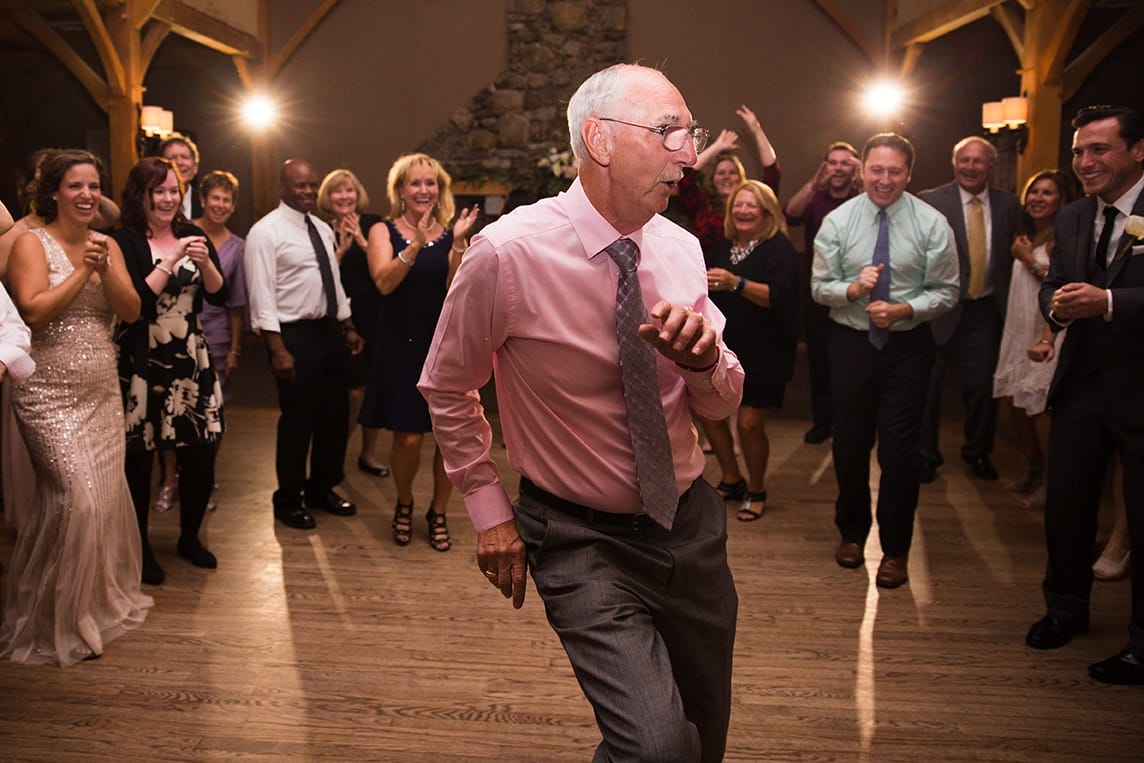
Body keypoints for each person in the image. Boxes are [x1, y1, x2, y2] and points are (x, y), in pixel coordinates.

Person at [419, 63, 743, 762]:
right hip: (577, 538)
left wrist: (703, 361)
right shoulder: (506, 255)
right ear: (598, 139)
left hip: (690, 529)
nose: (689, 155)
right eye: (670, 133)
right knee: (656, 747)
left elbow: (723, 398)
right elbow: (446, 384)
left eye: (690, 134)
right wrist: (488, 509)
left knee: (702, 734)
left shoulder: (684, 250)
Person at [2, 149, 151, 665]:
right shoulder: (29, 243)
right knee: (76, 499)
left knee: (101, 503)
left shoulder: (105, 244)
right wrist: (79, 273)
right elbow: (33, 312)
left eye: (93, 185)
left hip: (100, 390)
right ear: (54, 193)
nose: (86, 195)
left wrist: (104, 266)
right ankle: (53, 619)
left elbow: (131, 309)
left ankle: (83, 605)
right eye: (75, 186)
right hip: (46, 393)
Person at [1026, 105, 1144, 687]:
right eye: (1078, 152)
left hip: (1141, 386)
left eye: (1099, 149)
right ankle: (1065, 609)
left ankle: (1142, 645)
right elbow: (1054, 284)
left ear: (1139, 150)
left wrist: (1113, 302)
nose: (1086, 161)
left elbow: (1111, 296)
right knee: (1068, 504)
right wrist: (1056, 306)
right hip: (1080, 385)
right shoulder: (1074, 216)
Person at [811, 133, 959, 589]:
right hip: (852, 344)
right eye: (877, 169)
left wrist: (904, 309)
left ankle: (896, 549)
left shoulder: (932, 224)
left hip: (907, 350)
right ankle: (852, 533)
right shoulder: (838, 222)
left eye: (895, 171)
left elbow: (948, 291)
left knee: (900, 453)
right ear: (863, 170)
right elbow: (820, 286)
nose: (884, 179)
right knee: (850, 444)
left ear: (909, 174)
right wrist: (852, 291)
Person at [114, 156, 228, 585]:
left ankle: (190, 538)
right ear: (140, 196)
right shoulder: (123, 241)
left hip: (189, 356)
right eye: (157, 191)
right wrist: (171, 260)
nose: (167, 199)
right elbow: (136, 304)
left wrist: (206, 263)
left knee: (199, 453)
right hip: (143, 356)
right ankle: (139, 547)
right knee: (139, 460)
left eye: (172, 190)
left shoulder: (192, 233)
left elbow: (220, 295)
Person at [361, 153, 477, 551]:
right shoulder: (382, 230)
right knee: (407, 439)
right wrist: (415, 246)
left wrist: (458, 243)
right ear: (400, 190)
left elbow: (454, 291)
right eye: (416, 183)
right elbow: (383, 283)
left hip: (442, 346)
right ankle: (405, 502)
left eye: (431, 183)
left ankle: (439, 510)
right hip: (399, 346)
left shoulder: (449, 233)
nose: (424, 190)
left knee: (448, 439)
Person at [244, 159, 364, 531]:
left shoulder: (323, 229)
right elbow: (261, 296)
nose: (308, 191)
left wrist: (347, 324)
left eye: (312, 185)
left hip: (329, 331)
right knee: (298, 421)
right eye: (300, 186)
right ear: (283, 188)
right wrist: (277, 349)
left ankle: (321, 489)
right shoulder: (265, 233)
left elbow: (332, 282)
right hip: (292, 336)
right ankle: (288, 499)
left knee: (334, 416)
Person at [917, 137, 1021, 483]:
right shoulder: (930, 201)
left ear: (990, 166)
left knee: (980, 388)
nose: (971, 167)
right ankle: (925, 456)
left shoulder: (1009, 205)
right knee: (927, 387)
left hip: (985, 310)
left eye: (978, 161)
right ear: (954, 163)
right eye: (965, 160)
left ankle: (978, 452)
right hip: (937, 307)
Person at [703, 179, 799, 520]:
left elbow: (777, 296)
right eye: (738, 205)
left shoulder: (779, 250)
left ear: (766, 212)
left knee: (748, 425)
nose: (743, 211)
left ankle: (756, 489)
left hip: (766, 351)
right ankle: (732, 479)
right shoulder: (722, 248)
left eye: (751, 205)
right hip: (726, 347)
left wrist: (736, 283)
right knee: (709, 416)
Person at [992, 170, 1077, 509]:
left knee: (1040, 406)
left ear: (1062, 200)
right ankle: (1033, 464)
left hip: (1047, 328)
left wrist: (1028, 261)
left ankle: (1052, 483)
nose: (1038, 198)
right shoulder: (1026, 234)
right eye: (1034, 192)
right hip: (1019, 326)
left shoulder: (1064, 238)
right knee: (1015, 401)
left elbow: (1060, 284)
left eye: (1048, 193)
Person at [783, 141, 863, 444]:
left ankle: (850, 423)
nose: (839, 168)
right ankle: (823, 422)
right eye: (833, 162)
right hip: (818, 292)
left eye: (846, 163)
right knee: (820, 361)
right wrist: (813, 183)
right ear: (825, 167)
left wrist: (864, 176)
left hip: (857, 292)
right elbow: (790, 213)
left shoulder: (864, 196)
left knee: (853, 361)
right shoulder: (815, 197)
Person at [315, 169, 389, 479]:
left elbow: (384, 267)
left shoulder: (374, 225)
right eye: (337, 191)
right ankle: (336, 451)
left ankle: (368, 454)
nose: (344, 196)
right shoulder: (319, 230)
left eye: (349, 190)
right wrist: (340, 252)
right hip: (340, 319)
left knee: (373, 388)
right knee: (353, 391)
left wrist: (359, 240)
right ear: (327, 198)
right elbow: (319, 276)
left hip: (375, 316)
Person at [193, 170, 247, 512]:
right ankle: (171, 479)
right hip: (179, 332)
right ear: (203, 199)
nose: (220, 205)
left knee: (215, 414)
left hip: (217, 337)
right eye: (215, 197)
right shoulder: (183, 232)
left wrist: (235, 350)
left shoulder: (238, 247)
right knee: (178, 409)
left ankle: (206, 479)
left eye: (227, 200)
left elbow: (237, 303)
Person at [0, 148, 121, 280]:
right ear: (32, 186)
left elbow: (113, 215)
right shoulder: (17, 231)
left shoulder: (76, 220)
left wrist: (85, 187)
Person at [677, 104, 781, 255]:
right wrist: (717, 147)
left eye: (732, 172)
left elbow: (772, 174)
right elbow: (685, 174)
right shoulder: (702, 205)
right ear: (713, 179)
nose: (726, 176)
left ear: (741, 177)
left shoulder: (754, 203)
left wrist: (756, 130)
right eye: (721, 173)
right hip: (707, 270)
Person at [160, 133, 202, 220]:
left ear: (195, 167)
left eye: (185, 157)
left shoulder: (205, 204)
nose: (179, 163)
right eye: (172, 158)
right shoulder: (151, 202)